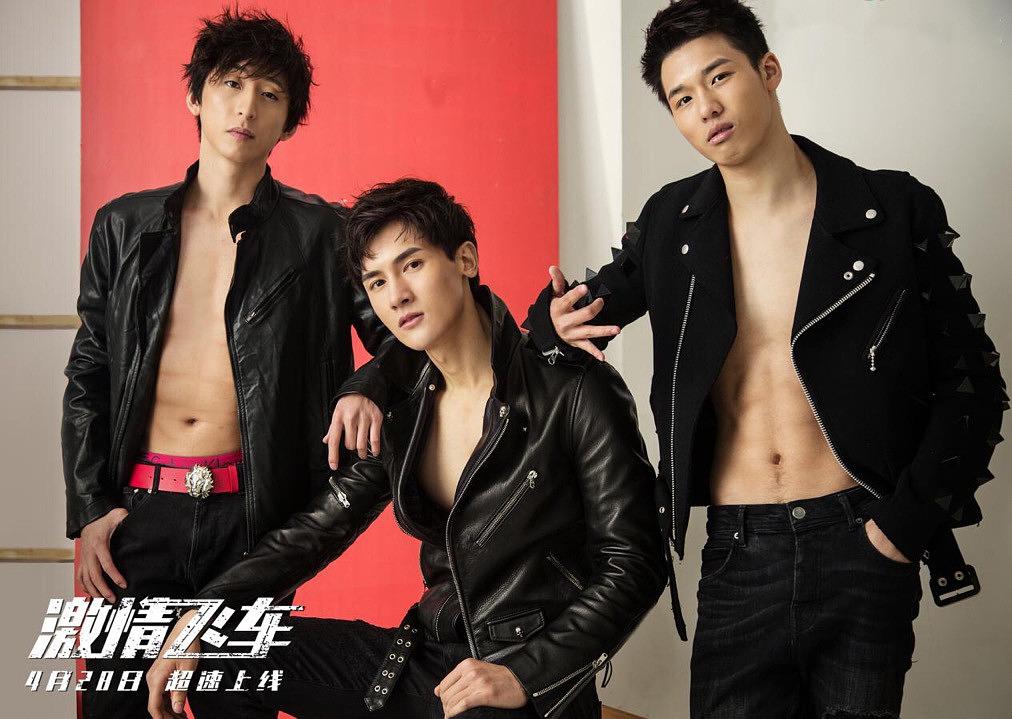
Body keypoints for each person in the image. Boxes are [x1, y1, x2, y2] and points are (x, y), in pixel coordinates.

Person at [523, 1, 1006, 716]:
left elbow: (973, 386)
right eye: (682, 98)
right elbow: (568, 314)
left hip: (862, 541)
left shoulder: (889, 209)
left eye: (719, 76)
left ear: (769, 71)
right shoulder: (672, 226)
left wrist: (903, 528)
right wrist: (548, 321)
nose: (706, 107)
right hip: (737, 551)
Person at [145, 178, 666, 719]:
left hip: (523, 679)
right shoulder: (405, 411)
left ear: (465, 260)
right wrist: (203, 612)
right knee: (221, 650)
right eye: (376, 281)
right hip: (426, 661)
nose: (396, 295)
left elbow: (634, 563)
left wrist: (525, 672)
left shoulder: (572, 391)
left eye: (411, 264)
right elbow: (318, 530)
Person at [63, 10, 388, 717]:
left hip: (250, 525)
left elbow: (401, 339)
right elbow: (87, 374)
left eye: (270, 94)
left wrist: (365, 383)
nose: (246, 107)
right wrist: (89, 510)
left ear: (288, 122)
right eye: (231, 84)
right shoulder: (124, 226)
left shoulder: (320, 234)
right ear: (195, 96)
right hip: (138, 517)